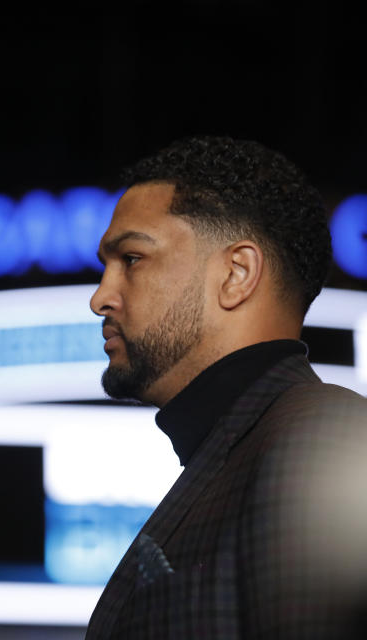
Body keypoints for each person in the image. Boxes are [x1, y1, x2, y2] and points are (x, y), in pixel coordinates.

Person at [85, 136, 367, 638]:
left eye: (131, 259)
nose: (101, 297)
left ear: (236, 274)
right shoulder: (248, 445)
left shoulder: (318, 438)